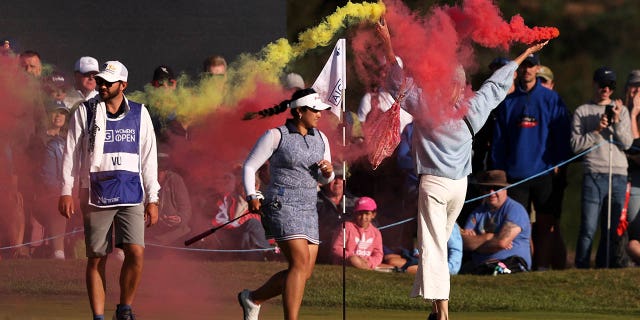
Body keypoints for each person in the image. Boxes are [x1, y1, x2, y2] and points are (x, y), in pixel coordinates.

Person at [376, 19, 549, 320]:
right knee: (438, 247)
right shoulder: (473, 109)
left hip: (434, 185)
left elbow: (396, 80)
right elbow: (497, 85)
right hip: (460, 187)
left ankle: (443, 314)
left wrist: (387, 41)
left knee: (432, 249)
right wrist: (523, 55)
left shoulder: (425, 105)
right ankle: (436, 310)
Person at [58, 60, 160, 320]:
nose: (102, 85)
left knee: (136, 252)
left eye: (107, 82)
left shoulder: (140, 112)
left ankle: (125, 308)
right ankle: (99, 316)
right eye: (100, 81)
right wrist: (66, 190)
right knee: (97, 258)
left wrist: (153, 198)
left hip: (131, 191)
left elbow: (149, 158)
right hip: (95, 191)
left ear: (123, 85)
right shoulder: (85, 111)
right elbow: (70, 151)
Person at [239, 88, 335, 320]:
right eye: (314, 110)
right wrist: (251, 194)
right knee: (300, 263)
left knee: (304, 271)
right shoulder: (276, 135)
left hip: (309, 207)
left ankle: (253, 299)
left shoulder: (321, 138)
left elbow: (325, 178)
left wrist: (328, 173)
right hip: (281, 205)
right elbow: (250, 166)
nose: (319, 114)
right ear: (299, 111)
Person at [491, 53, 571, 271]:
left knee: (546, 223)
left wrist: (559, 163)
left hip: (544, 173)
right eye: (524, 65)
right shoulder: (508, 102)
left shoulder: (551, 99)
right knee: (518, 224)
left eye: (531, 66)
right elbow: (499, 140)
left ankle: (542, 267)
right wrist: (500, 170)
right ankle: (520, 264)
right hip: (515, 174)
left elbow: (562, 133)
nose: (527, 70)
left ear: (537, 69)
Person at [571, 66, 633, 269]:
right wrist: (597, 130)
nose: (606, 89)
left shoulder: (621, 110)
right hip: (594, 174)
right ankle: (581, 268)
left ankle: (605, 267)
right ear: (595, 84)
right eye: (602, 85)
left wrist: (615, 122)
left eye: (610, 86)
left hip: (618, 174)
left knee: (612, 228)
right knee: (588, 227)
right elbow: (575, 146)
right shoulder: (583, 111)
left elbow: (627, 144)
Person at [460, 170, 532, 273]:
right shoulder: (478, 212)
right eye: (487, 188)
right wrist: (487, 237)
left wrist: (476, 245)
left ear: (505, 189)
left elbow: (501, 243)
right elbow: (463, 242)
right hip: (480, 265)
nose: (491, 192)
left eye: (496, 188)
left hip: (510, 264)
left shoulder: (515, 210)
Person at [32, 100, 70, 259]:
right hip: (46, 194)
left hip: (68, 190)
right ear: (48, 115)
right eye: (55, 112)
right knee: (58, 204)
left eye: (62, 113)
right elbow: (42, 175)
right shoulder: (37, 139)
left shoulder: (69, 139)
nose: (59, 116)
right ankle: (58, 252)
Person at [145, 152, 191, 247]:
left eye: (161, 170)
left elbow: (185, 208)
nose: (158, 173)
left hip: (173, 232)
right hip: (149, 230)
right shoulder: (143, 180)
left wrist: (179, 219)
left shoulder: (176, 180)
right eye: (156, 169)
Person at [330, 196, 386, 270]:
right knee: (354, 260)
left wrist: (370, 262)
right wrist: (351, 256)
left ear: (373, 215)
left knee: (387, 265)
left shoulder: (376, 232)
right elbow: (336, 248)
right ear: (355, 213)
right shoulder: (346, 226)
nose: (363, 217)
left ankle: (366, 268)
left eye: (367, 214)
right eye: (360, 213)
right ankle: (368, 271)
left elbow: (378, 254)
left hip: (366, 262)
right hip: (346, 261)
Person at [316, 163, 355, 264]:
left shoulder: (355, 203)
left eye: (340, 178)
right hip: (320, 254)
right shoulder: (315, 201)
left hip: (349, 253)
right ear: (325, 181)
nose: (337, 182)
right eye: (333, 178)